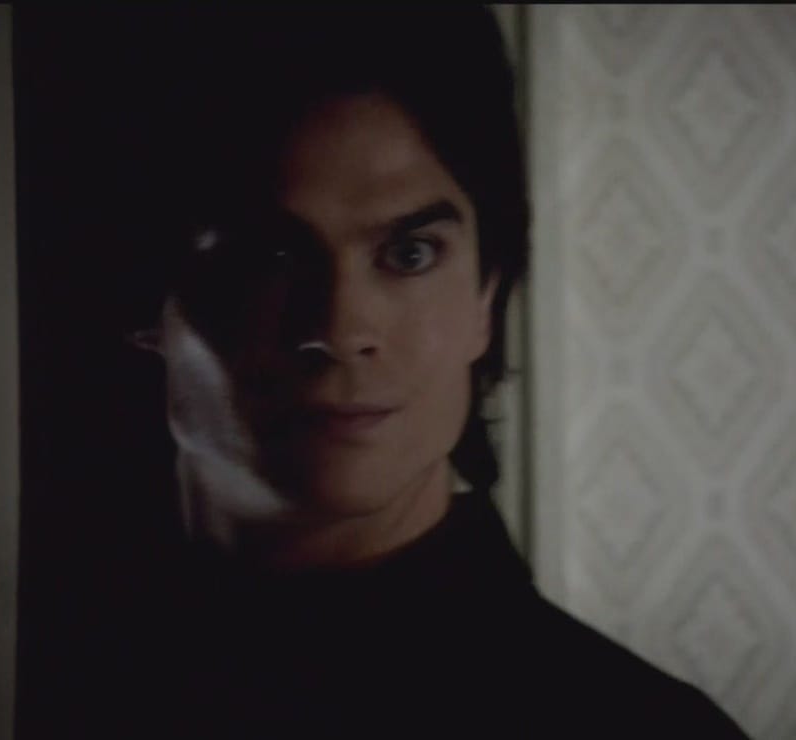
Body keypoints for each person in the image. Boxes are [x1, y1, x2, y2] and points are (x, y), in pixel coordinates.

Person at [66, 7, 751, 739]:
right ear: (145, 297)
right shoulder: (40, 667)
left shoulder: (632, 725)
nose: (341, 329)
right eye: (269, 256)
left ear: (486, 296)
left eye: (410, 254)